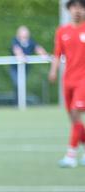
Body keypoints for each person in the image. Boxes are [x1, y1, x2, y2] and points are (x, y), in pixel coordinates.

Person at [49, 0, 85, 167]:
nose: (77, 10)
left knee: (76, 113)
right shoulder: (62, 31)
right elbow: (57, 54)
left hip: (83, 80)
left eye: (81, 7)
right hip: (68, 80)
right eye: (74, 7)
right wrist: (53, 71)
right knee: (73, 119)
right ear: (69, 10)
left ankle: (71, 155)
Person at [10, 25, 49, 91]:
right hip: (15, 68)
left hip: (26, 67)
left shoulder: (30, 41)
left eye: (26, 35)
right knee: (17, 84)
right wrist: (21, 56)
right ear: (19, 34)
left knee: (22, 85)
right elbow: (16, 49)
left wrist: (45, 55)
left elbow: (38, 48)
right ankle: (17, 100)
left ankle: (21, 100)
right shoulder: (15, 40)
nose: (25, 36)